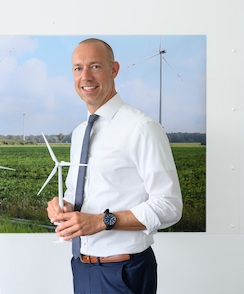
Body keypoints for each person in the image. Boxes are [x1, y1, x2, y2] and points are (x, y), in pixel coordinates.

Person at [47, 38, 183, 293]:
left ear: (114, 69)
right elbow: (82, 194)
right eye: (78, 68)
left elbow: (170, 206)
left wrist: (102, 221)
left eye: (95, 66)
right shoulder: (79, 133)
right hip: (81, 267)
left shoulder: (141, 128)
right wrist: (63, 207)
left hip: (123, 272)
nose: (85, 76)